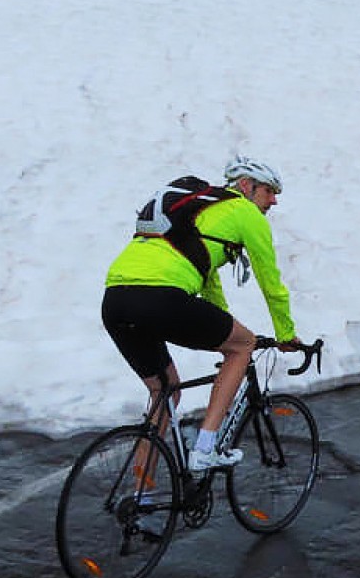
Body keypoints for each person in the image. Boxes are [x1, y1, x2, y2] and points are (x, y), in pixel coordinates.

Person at [102, 156, 304, 474]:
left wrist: (222, 322)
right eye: (269, 191)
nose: (274, 200)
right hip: (161, 297)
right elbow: (271, 283)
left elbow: (206, 275)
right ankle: (206, 448)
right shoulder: (245, 213)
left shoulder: (201, 211)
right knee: (243, 346)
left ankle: (141, 495)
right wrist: (285, 334)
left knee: (164, 391)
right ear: (247, 186)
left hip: (115, 300)